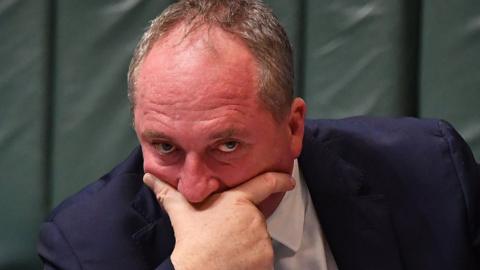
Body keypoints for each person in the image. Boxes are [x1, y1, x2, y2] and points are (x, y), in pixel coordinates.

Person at [38, 0, 480, 269]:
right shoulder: (84, 245)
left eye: (227, 146)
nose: (193, 188)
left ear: (292, 127)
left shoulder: (431, 171)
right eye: (165, 147)